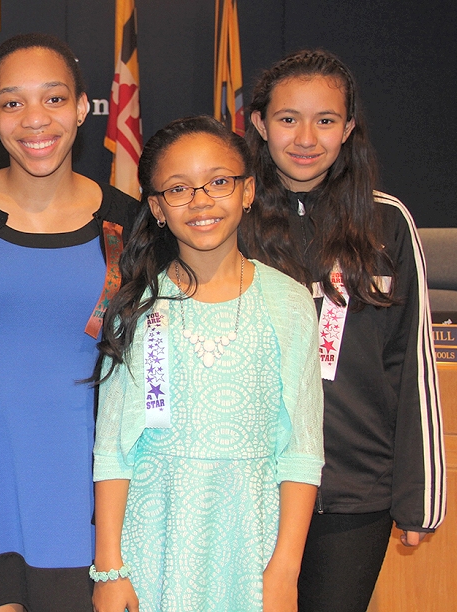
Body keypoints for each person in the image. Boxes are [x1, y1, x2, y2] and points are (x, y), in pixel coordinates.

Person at [0, 33, 138, 612]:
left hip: (88, 494)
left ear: (84, 108)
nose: (34, 119)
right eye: (12, 102)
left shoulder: (129, 222)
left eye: (54, 98)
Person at [241, 49, 446, 612]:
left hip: (355, 493)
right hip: (250, 486)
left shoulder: (387, 222)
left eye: (326, 120)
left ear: (348, 128)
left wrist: (419, 495)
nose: (306, 137)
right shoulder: (227, 218)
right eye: (288, 119)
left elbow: (411, 367)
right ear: (259, 124)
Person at [92, 116, 324, 612]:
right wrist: (110, 569)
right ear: (156, 207)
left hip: (252, 543)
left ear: (247, 191)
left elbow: (302, 450)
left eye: (219, 182)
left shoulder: (289, 302)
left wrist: (285, 570)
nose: (201, 201)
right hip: (155, 539)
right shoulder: (138, 307)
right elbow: (113, 449)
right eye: (178, 188)